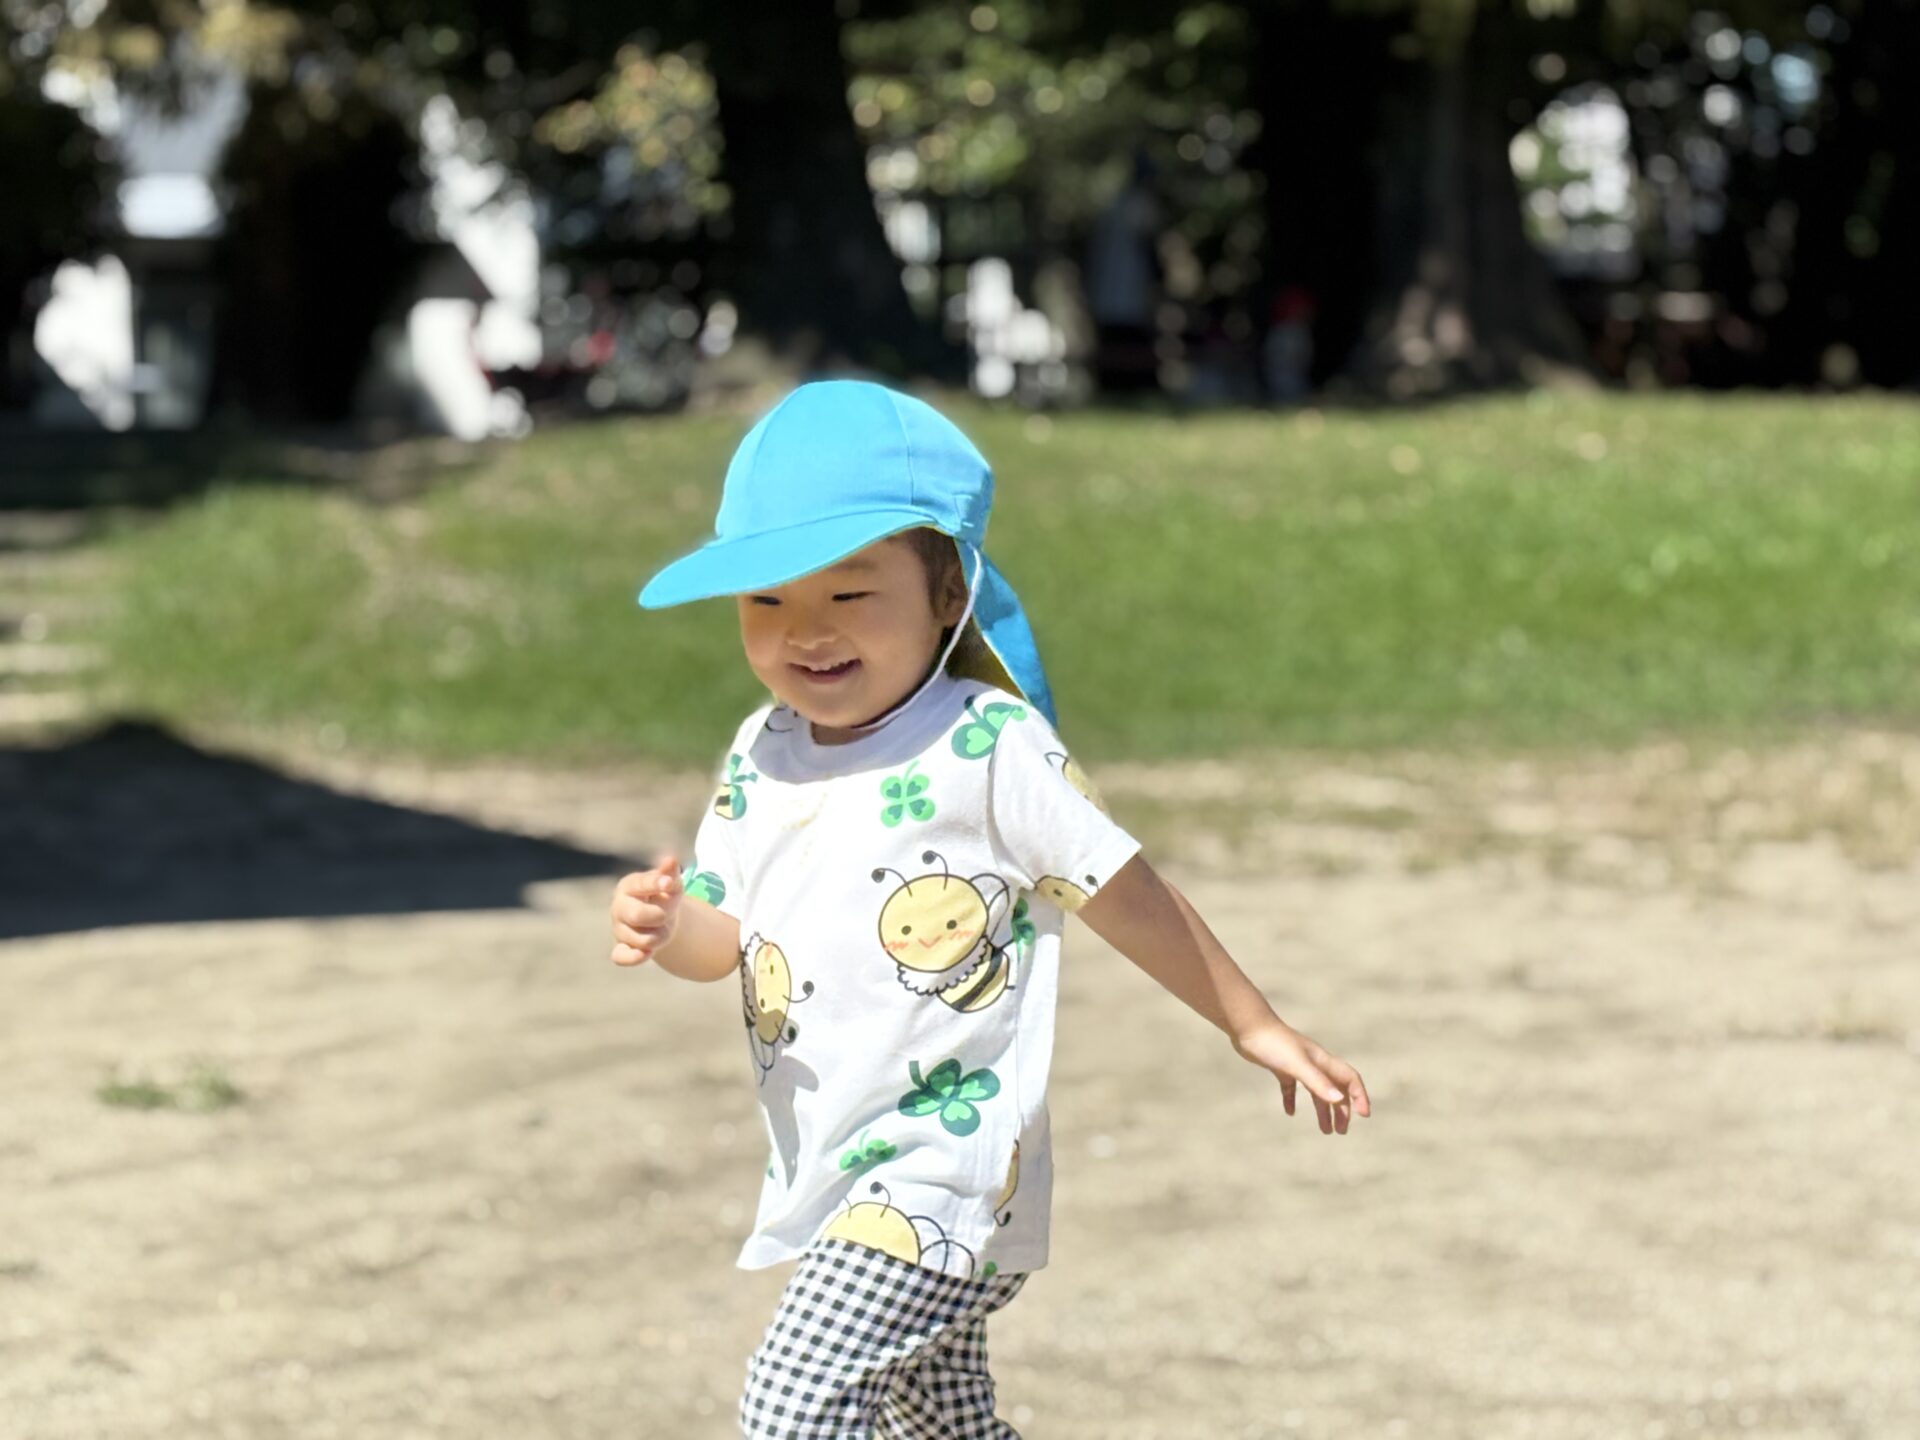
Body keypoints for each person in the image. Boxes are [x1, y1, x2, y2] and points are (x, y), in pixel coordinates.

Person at [609, 379, 1370, 1439]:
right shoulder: (761, 751)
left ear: (947, 591)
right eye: (766, 601)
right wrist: (666, 930)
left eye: (850, 593)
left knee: (795, 1404)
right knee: (942, 1424)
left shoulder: (986, 746)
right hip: (836, 1166)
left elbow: (1123, 892)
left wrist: (1253, 1023)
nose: (806, 633)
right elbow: (725, 938)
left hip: (945, 1170)